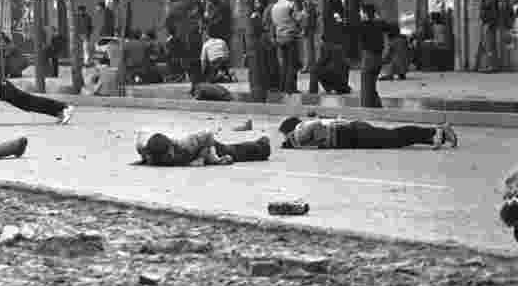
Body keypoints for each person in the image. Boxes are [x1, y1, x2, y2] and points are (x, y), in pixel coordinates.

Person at [279, 115, 457, 150]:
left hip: (353, 133)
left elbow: (309, 131)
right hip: (353, 134)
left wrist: (290, 141)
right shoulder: (304, 130)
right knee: (393, 140)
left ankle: (437, 130)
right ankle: (436, 136)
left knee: (393, 137)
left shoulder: (301, 129)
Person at [135, 129, 271, 166]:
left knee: (236, 152)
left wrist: (203, 158)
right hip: (193, 155)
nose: (168, 158)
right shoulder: (149, 152)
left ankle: (262, 144)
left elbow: (208, 134)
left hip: (207, 146)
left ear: (171, 149)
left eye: (168, 155)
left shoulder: (186, 143)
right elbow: (141, 135)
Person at [270, 0, 301, 94]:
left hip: (279, 37)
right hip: (290, 36)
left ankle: (282, 86)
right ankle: (290, 88)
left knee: (284, 63)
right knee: (292, 63)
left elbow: (273, 24)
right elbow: (297, 18)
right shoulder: (291, 5)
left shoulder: (274, 6)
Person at [358, 4, 390, 108]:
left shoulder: (362, 26)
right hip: (378, 58)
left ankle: (368, 108)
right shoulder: (379, 24)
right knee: (371, 85)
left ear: (366, 14)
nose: (360, 14)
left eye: (362, 12)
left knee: (366, 86)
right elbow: (388, 26)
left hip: (368, 57)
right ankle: (377, 105)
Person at [339, 0, 362, 64]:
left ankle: (354, 60)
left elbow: (351, 9)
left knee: (352, 41)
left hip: (352, 21)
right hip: (351, 20)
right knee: (351, 41)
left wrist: (346, 19)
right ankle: (353, 59)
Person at [479, 0, 499, 72]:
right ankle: (487, 65)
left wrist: (490, 24)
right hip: (485, 24)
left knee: (490, 46)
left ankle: (491, 66)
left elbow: (494, 13)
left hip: (489, 24)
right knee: (486, 45)